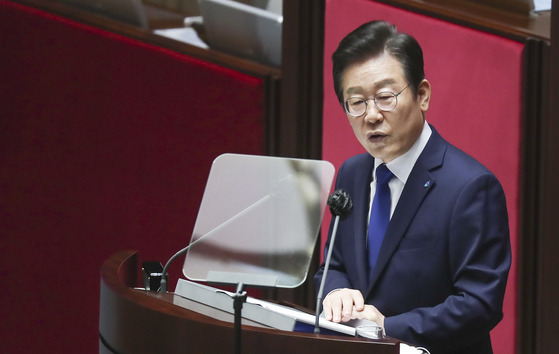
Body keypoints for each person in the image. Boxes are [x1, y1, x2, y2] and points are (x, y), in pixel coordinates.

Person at [314, 20, 511, 354]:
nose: (371, 115)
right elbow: (334, 264)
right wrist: (335, 291)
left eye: (385, 97)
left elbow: (480, 304)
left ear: (422, 95)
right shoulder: (353, 172)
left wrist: (387, 328)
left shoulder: (471, 187)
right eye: (356, 102)